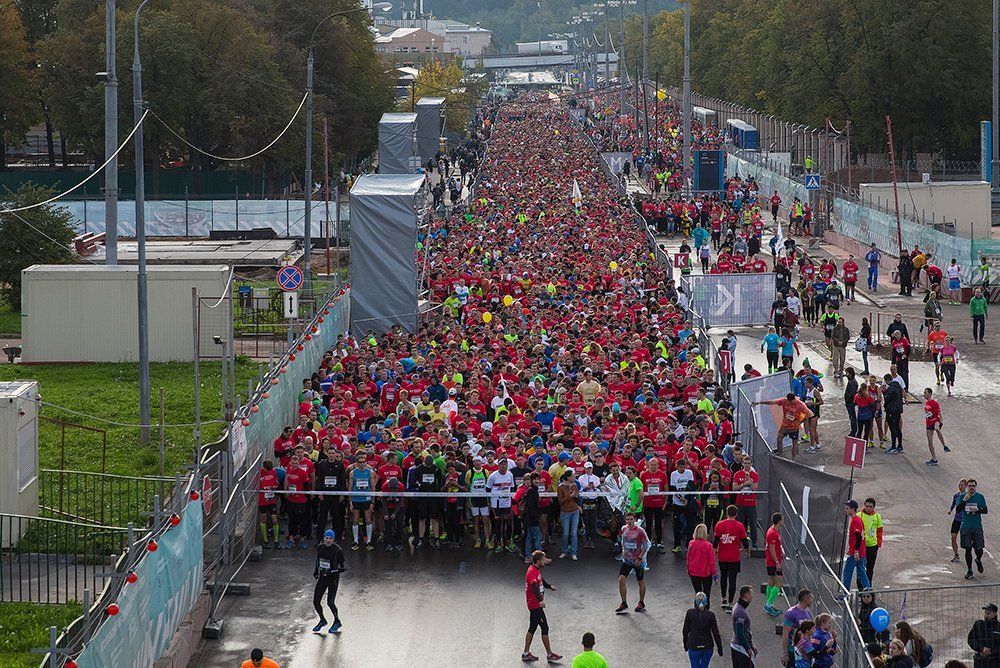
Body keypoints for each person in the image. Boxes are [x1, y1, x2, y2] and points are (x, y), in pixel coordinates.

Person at [523, 550, 561, 663]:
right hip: (535, 605)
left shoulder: (536, 569)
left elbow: (540, 580)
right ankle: (549, 654)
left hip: (534, 604)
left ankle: (525, 653)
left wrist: (549, 586)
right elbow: (534, 587)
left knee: (532, 627)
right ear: (538, 560)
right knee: (545, 628)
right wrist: (540, 601)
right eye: (544, 559)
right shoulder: (531, 572)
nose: (546, 561)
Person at [713, 505, 750, 612]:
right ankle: (730, 603)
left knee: (723, 577)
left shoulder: (719, 525)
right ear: (736, 514)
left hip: (722, 557)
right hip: (734, 558)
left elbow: (715, 542)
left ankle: (723, 599)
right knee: (732, 579)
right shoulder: (740, 526)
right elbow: (745, 542)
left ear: (726, 513)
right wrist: (748, 552)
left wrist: (714, 554)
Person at [756, 393, 813, 460]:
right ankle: (780, 456)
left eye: (791, 402)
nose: (789, 403)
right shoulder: (784, 401)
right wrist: (759, 403)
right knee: (779, 439)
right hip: (785, 426)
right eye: (788, 401)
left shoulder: (800, 404)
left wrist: (800, 422)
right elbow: (772, 402)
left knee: (794, 442)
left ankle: (793, 459)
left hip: (794, 427)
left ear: (794, 399)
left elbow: (810, 414)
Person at [311, 529, 346, 634]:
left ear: (333, 539)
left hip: (333, 578)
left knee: (330, 602)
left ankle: (337, 621)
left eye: (330, 539)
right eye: (326, 538)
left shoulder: (338, 550)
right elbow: (318, 559)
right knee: (316, 601)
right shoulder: (321, 547)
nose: (328, 540)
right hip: (323, 577)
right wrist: (316, 570)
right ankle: (322, 620)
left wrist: (332, 571)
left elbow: (344, 567)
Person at [616, 511, 650, 613]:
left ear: (635, 520)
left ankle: (641, 602)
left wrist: (639, 558)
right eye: (627, 519)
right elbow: (623, 541)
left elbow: (646, 545)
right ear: (625, 520)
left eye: (631, 519)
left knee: (640, 581)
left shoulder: (640, 531)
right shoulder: (624, 529)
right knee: (621, 580)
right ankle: (624, 603)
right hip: (627, 560)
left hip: (637, 561)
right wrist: (623, 550)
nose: (629, 521)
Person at [682, 591, 724, 668]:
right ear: (706, 602)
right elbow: (716, 633)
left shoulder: (690, 613)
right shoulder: (710, 615)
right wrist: (720, 649)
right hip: (707, 647)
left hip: (693, 646)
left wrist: (685, 645)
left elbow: (685, 631)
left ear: (695, 601)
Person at [958, 479, 989, 580]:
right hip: (966, 526)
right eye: (970, 486)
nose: (972, 488)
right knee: (968, 548)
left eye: (973, 486)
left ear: (975, 487)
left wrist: (977, 509)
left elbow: (985, 510)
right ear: (967, 487)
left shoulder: (980, 497)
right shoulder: (963, 496)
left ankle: (978, 560)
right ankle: (970, 570)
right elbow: (958, 509)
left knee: (979, 548)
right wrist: (964, 500)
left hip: (976, 526)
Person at [687, 523, 718, 610]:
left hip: (694, 572)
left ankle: (696, 611)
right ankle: (706, 612)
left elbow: (688, 558)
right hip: (706, 573)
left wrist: (689, 570)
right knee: (706, 594)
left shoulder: (691, 543)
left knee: (697, 593)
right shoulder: (708, 545)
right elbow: (711, 562)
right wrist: (715, 574)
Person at [842, 500, 871, 590]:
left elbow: (858, 536)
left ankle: (845, 593)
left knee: (847, 571)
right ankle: (868, 591)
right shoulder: (859, 519)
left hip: (855, 552)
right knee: (862, 573)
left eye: (847, 509)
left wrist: (855, 551)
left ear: (853, 509)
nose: (845, 510)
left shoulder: (855, 521)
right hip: (861, 551)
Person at [781, 589, 814, 667]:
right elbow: (785, 633)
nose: (812, 599)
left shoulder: (807, 612)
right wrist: (784, 653)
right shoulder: (791, 613)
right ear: (806, 599)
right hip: (792, 651)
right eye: (811, 597)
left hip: (804, 651)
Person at [730, 585, 757, 668]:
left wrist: (752, 645)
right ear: (746, 595)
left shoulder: (740, 607)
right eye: (751, 594)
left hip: (741, 646)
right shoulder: (740, 612)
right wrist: (748, 648)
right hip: (740, 648)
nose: (752, 596)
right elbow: (740, 633)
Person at [764, 513, 785, 616]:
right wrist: (777, 562)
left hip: (771, 561)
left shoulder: (774, 531)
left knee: (771, 582)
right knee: (779, 583)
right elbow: (772, 549)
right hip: (773, 562)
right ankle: (768, 604)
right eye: (782, 519)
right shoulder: (772, 533)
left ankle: (770, 605)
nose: (783, 521)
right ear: (779, 521)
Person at [557, 470, 580, 560]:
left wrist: (576, 496)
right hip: (565, 512)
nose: (574, 478)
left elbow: (577, 498)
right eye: (573, 476)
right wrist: (571, 496)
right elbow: (560, 502)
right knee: (566, 533)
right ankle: (564, 551)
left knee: (574, 533)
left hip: (575, 511)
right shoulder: (561, 487)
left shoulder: (574, 485)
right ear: (568, 477)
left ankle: (574, 552)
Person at [968, 603, 1000, 668]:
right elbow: (971, 639)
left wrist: (992, 652)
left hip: (995, 661)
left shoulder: (999, 627)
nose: (986, 615)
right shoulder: (979, 625)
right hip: (980, 661)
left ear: (995, 614)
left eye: (988, 613)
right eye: (985, 613)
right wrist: (981, 649)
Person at [922, 387, 949, 465]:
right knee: (930, 441)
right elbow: (927, 412)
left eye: (925, 393)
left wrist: (941, 422)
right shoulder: (926, 402)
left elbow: (939, 413)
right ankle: (934, 459)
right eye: (924, 393)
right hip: (928, 422)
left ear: (930, 394)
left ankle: (944, 445)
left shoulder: (935, 403)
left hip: (935, 421)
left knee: (937, 429)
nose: (924, 395)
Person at [883, 375, 905, 454]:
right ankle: (899, 445)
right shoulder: (898, 386)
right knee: (897, 428)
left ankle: (893, 446)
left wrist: (884, 392)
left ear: (887, 380)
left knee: (893, 428)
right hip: (898, 410)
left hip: (892, 410)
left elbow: (887, 399)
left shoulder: (890, 388)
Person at [949, 479, 969, 563]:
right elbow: (953, 503)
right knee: (953, 537)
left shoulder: (968, 496)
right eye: (959, 485)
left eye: (962, 485)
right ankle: (956, 555)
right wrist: (950, 510)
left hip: (964, 520)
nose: (960, 487)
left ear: (966, 486)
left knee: (966, 540)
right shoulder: (956, 495)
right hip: (956, 520)